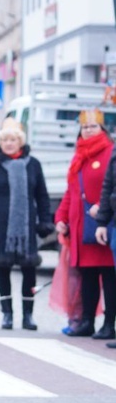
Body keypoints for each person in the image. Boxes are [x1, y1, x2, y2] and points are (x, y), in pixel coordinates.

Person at [0, 119, 54, 330]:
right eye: (5, 139)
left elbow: (42, 196)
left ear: (20, 141)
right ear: (0, 142)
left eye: (13, 139)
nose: (9, 143)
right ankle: (7, 314)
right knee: (3, 268)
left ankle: (28, 316)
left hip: (26, 226)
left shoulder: (33, 164)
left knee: (29, 269)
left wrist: (45, 221)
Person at [56, 109, 115, 339]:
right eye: (85, 127)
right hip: (81, 225)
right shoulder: (79, 155)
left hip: (103, 224)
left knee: (109, 276)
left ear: (103, 129)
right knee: (87, 276)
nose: (88, 130)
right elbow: (71, 191)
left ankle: (109, 323)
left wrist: (103, 206)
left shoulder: (110, 152)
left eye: (93, 126)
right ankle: (87, 321)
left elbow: (111, 185)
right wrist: (61, 217)